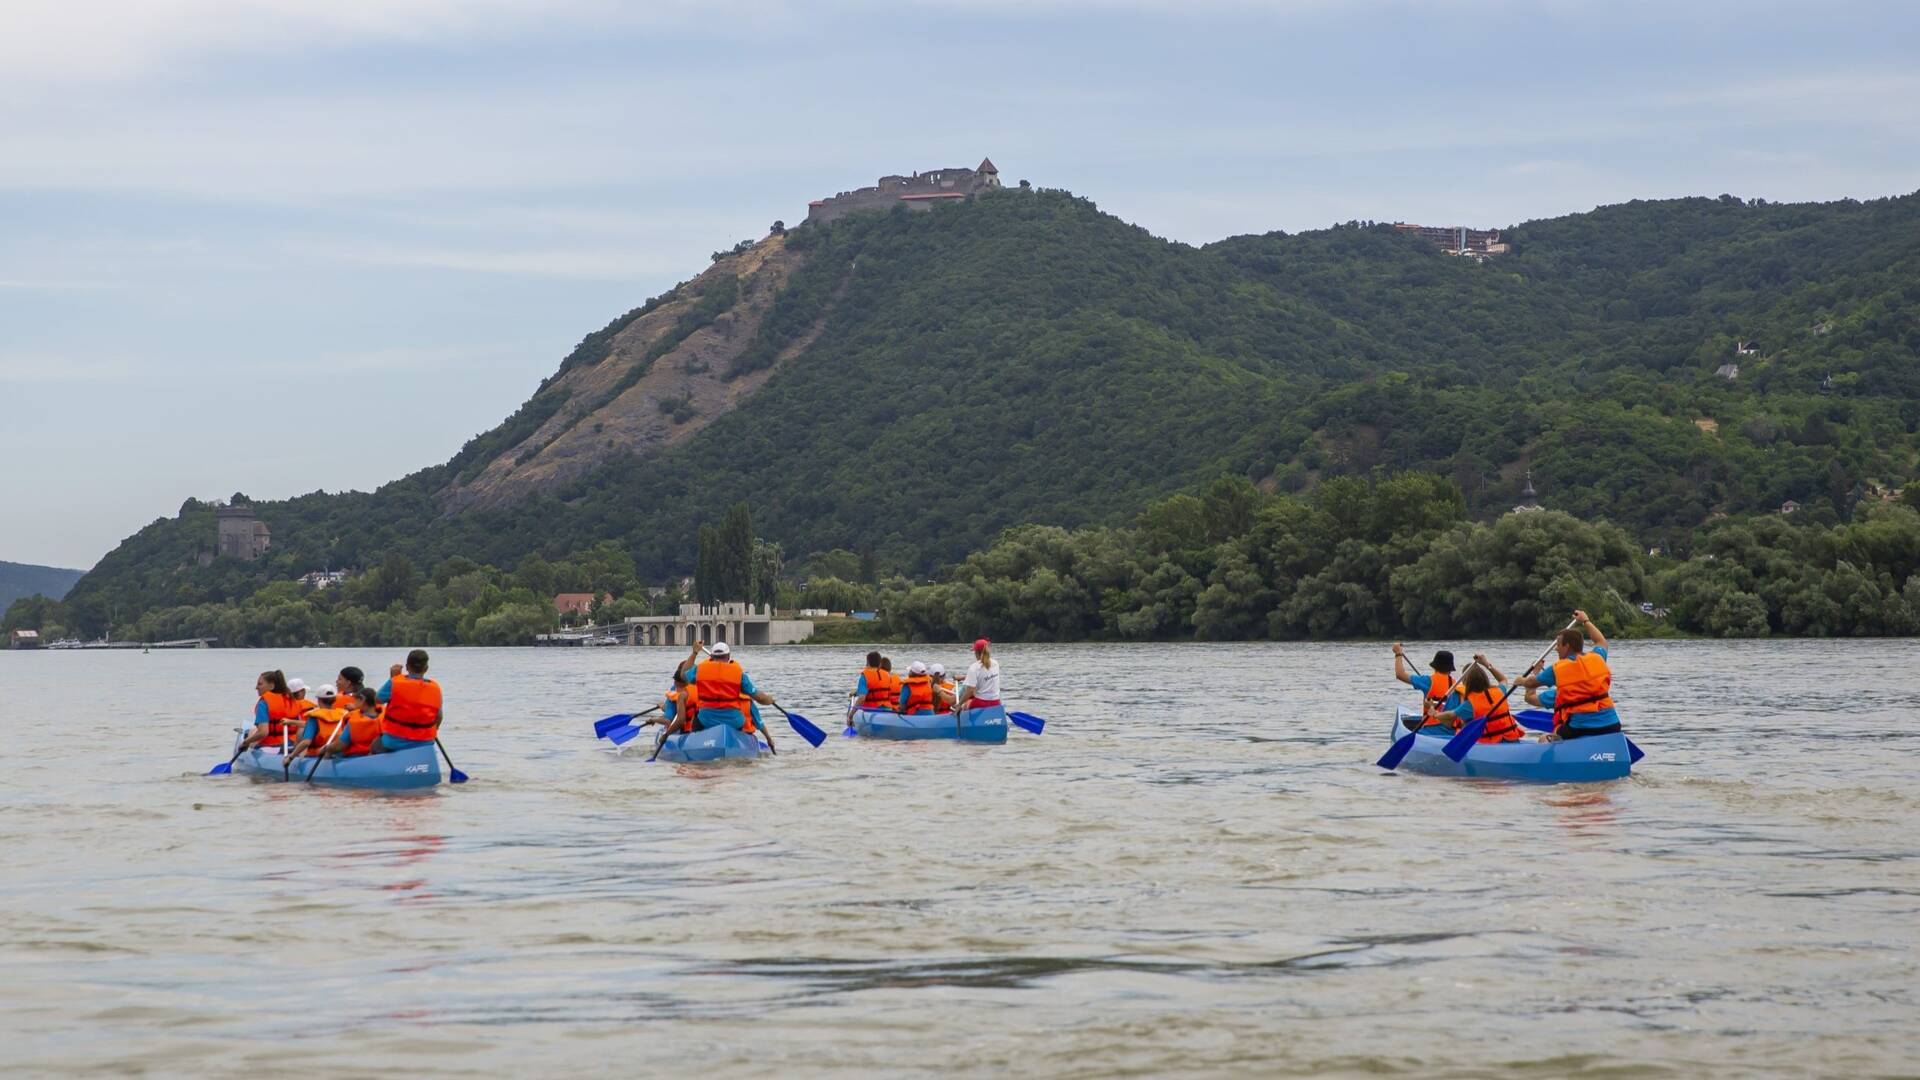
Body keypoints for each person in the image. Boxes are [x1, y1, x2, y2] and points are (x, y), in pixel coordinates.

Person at [1518, 609, 1621, 740]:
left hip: (1580, 729)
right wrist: (1585, 621)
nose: (1556, 648)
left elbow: (1531, 688)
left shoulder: (1559, 674)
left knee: (1544, 739)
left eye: (1558, 645)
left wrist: (1521, 680)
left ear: (1566, 646)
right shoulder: (1597, 658)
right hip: (1611, 724)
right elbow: (1601, 642)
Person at [675, 640, 777, 733]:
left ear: (711, 657)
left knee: (696, 718)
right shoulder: (739, 673)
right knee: (741, 720)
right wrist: (770, 700)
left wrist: (694, 652)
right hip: (733, 720)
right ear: (728, 657)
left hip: (707, 719)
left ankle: (696, 741)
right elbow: (759, 697)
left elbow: (683, 674)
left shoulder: (700, 670)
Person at [1431, 655, 1524, 743]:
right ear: (1484, 677)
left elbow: (1450, 715)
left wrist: (1435, 714)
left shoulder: (1470, 704)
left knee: (1465, 725)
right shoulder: (1500, 691)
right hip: (1512, 738)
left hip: (1490, 743)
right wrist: (1487, 664)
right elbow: (1503, 680)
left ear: (1466, 683)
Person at [369, 649, 442, 754]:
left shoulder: (395, 682)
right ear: (426, 669)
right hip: (425, 742)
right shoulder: (435, 687)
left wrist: (394, 677)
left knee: (375, 745)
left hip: (394, 741)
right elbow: (439, 717)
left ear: (407, 667)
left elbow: (377, 700)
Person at [1392, 644, 1457, 731]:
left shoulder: (1428, 681)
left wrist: (1398, 654)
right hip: (1451, 730)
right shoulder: (1455, 684)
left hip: (1430, 729)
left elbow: (1400, 674)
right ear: (1450, 668)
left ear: (1435, 667)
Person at [240, 669, 301, 752]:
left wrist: (246, 742)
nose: (256, 687)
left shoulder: (264, 703)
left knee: (251, 734)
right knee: (253, 731)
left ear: (271, 686)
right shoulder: (292, 700)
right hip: (293, 744)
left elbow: (263, 732)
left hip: (271, 746)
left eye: (260, 684)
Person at [954, 639, 1001, 714]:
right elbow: (984, 676)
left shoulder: (974, 667)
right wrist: (963, 678)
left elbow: (970, 691)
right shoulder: (996, 663)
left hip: (980, 703)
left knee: (966, 704)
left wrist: (959, 704)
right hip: (996, 703)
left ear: (976, 652)